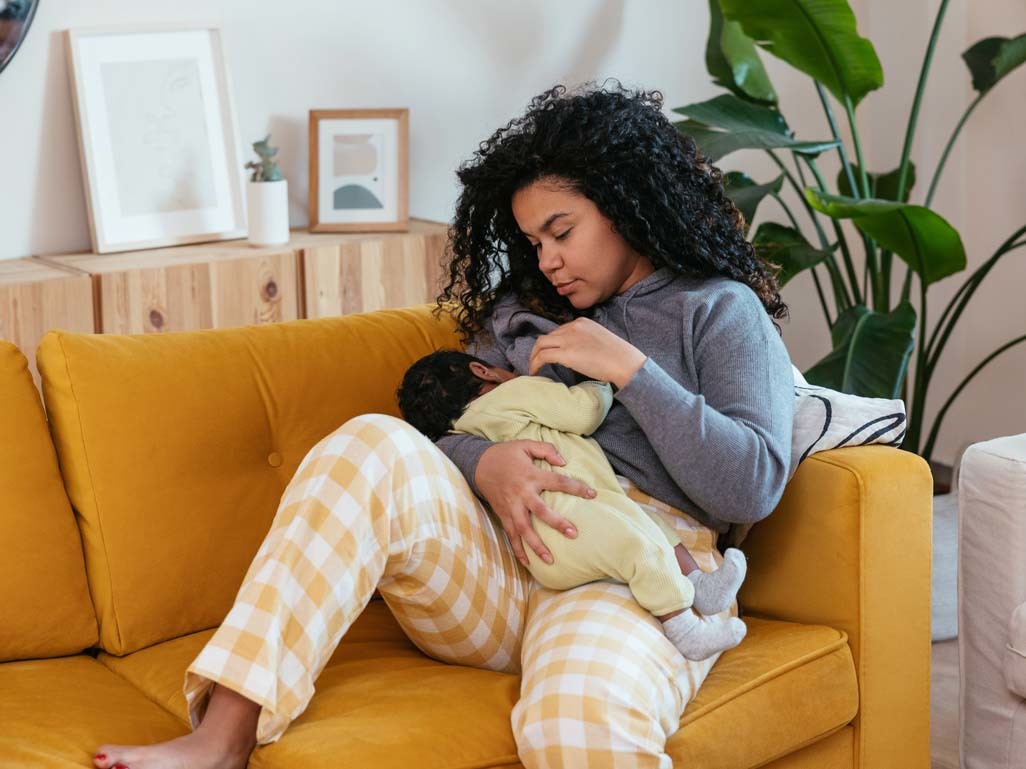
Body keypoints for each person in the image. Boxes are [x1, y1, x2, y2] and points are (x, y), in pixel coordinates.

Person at [92, 82, 794, 769]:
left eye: (561, 231)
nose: (547, 259)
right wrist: (480, 464)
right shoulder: (525, 307)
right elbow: (453, 423)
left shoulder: (718, 310)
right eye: (532, 240)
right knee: (370, 443)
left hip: (633, 571)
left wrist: (632, 371)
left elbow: (750, 486)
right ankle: (223, 736)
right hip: (495, 563)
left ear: (625, 206)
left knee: (577, 727)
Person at [397, 349, 750, 661]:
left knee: (648, 528)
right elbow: (581, 413)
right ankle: (685, 630)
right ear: (482, 370)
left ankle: (700, 587)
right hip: (571, 521)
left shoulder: (461, 435)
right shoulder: (514, 393)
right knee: (639, 545)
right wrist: (600, 382)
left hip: (550, 543)